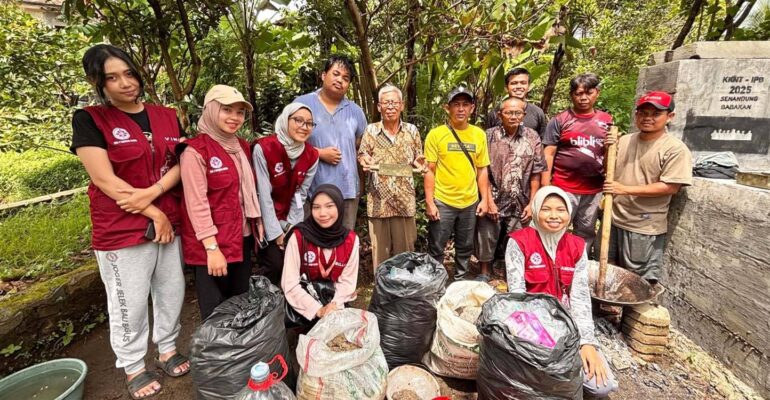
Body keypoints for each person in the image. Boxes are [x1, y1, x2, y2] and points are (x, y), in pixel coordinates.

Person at [71, 44, 188, 399]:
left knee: (171, 290)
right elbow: (104, 179)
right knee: (129, 301)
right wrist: (154, 211)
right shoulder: (90, 119)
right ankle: (134, 365)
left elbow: (182, 162)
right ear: (98, 83)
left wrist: (154, 194)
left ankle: (167, 348)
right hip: (121, 227)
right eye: (112, 78)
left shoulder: (167, 116)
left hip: (168, 219)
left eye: (129, 73)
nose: (125, 83)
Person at [506, 186, 619, 398]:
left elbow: (580, 298)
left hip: (566, 325)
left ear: (569, 213)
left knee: (601, 386)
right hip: (532, 324)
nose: (554, 216)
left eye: (561, 210)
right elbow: (517, 297)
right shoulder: (519, 242)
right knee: (542, 375)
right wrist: (542, 342)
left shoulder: (576, 246)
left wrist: (586, 343)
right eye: (546, 209)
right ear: (536, 210)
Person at [178, 84, 264, 321]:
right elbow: (196, 203)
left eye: (240, 112)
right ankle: (218, 347)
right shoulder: (195, 151)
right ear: (211, 110)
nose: (235, 117)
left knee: (240, 304)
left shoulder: (241, 147)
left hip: (241, 237)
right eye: (227, 110)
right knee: (215, 311)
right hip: (213, 243)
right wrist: (212, 248)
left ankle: (240, 345)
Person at [602, 91, 692, 284]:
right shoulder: (624, 140)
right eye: (643, 113)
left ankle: (632, 305)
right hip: (613, 217)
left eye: (656, 114)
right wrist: (608, 150)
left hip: (643, 225)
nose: (648, 118)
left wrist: (624, 189)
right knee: (607, 270)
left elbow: (670, 187)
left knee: (636, 280)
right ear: (636, 115)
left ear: (670, 116)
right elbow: (607, 171)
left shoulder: (675, 149)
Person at [475, 97, 546, 281]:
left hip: (521, 199)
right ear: (500, 115)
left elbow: (536, 172)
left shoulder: (532, 136)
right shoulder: (488, 136)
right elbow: (482, 169)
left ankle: (513, 274)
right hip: (494, 196)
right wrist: (488, 200)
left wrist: (532, 203)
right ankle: (484, 272)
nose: (513, 116)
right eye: (509, 113)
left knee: (518, 238)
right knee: (487, 234)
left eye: (518, 113)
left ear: (524, 114)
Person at [424, 86, 490, 280]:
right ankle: (435, 282)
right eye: (456, 104)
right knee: (436, 246)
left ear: (472, 108)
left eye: (465, 104)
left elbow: (482, 169)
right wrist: (429, 202)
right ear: (447, 108)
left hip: (469, 201)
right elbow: (429, 170)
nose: (461, 109)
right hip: (443, 200)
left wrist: (484, 199)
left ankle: (460, 280)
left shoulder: (479, 135)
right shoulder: (436, 134)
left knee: (465, 246)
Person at [294, 55, 368, 230]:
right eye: (335, 74)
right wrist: (318, 153)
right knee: (311, 240)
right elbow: (287, 144)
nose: (340, 80)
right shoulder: (302, 104)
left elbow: (361, 145)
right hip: (311, 190)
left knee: (344, 240)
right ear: (323, 75)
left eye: (346, 78)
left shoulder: (355, 111)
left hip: (347, 191)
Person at [541, 73, 613, 254]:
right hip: (564, 186)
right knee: (556, 226)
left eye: (589, 93)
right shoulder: (560, 120)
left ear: (597, 93)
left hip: (593, 189)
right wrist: (545, 186)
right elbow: (548, 153)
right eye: (578, 93)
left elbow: (610, 153)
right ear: (572, 95)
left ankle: (580, 261)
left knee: (586, 229)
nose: (583, 98)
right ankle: (553, 260)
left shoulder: (606, 121)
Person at [358, 85, 426, 271]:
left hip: (404, 201)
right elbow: (363, 154)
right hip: (378, 202)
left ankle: (405, 285)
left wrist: (419, 163)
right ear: (379, 107)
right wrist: (365, 160)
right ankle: (382, 286)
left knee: (406, 253)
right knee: (380, 254)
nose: (390, 106)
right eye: (386, 103)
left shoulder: (412, 130)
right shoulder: (371, 130)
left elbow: (418, 158)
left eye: (394, 102)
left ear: (401, 105)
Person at [253, 103, 319, 285]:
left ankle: (293, 299)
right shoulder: (264, 148)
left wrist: (292, 228)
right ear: (285, 120)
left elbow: (300, 194)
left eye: (309, 123)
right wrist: (276, 233)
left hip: (289, 217)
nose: (304, 127)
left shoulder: (311, 155)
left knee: (299, 259)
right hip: (264, 219)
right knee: (276, 264)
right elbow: (263, 196)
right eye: (298, 120)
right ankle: (266, 299)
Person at [281, 184, 359, 321]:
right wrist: (317, 310)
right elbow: (290, 283)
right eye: (316, 207)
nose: (322, 213)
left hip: (335, 306)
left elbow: (347, 282)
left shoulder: (350, 240)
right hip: (301, 308)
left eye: (329, 206)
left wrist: (333, 306)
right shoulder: (299, 237)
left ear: (340, 207)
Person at [484, 67, 548, 137]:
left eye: (523, 83)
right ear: (506, 88)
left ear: (528, 87)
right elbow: (488, 138)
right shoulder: (495, 113)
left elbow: (543, 140)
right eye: (514, 83)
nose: (519, 86)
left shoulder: (537, 112)